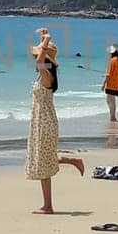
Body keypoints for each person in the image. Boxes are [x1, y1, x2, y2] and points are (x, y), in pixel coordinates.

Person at [26, 35, 84, 214]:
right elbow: (40, 59)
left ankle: (48, 206)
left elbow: (40, 59)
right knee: (43, 158)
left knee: (43, 163)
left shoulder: (46, 76)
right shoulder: (43, 76)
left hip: (45, 123)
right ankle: (73, 160)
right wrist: (43, 37)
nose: (35, 61)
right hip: (41, 122)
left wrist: (45, 41)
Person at [102, 45, 118, 123]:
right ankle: (113, 117)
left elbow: (108, 73)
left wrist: (104, 83)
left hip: (111, 84)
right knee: (112, 100)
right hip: (117, 84)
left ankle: (112, 117)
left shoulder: (113, 60)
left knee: (109, 100)